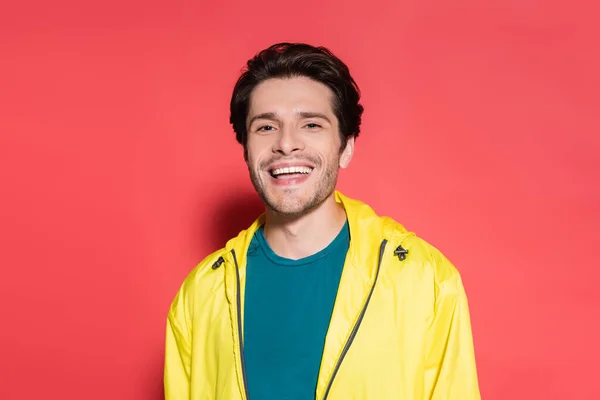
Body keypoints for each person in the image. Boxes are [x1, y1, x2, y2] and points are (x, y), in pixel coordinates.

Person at [164, 42, 481, 400]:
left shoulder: (427, 281)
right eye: (266, 128)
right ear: (246, 150)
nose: (286, 144)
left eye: (311, 124)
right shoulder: (201, 294)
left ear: (346, 147)